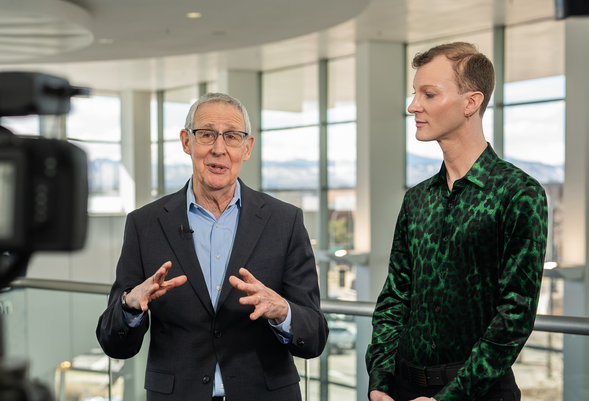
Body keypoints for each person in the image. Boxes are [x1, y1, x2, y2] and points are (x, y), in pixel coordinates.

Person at [96, 92, 328, 401]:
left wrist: (282, 311)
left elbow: (314, 336)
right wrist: (129, 306)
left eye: (232, 137)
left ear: (247, 148)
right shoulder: (145, 224)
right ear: (186, 142)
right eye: (207, 135)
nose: (219, 149)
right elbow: (114, 343)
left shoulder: (284, 221)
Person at [365, 42, 548, 401]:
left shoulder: (519, 193)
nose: (413, 105)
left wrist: (449, 398)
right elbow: (395, 298)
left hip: (477, 393)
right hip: (399, 389)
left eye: (428, 94)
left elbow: (515, 315)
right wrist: (380, 382)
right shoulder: (417, 199)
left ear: (471, 102)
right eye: (415, 93)